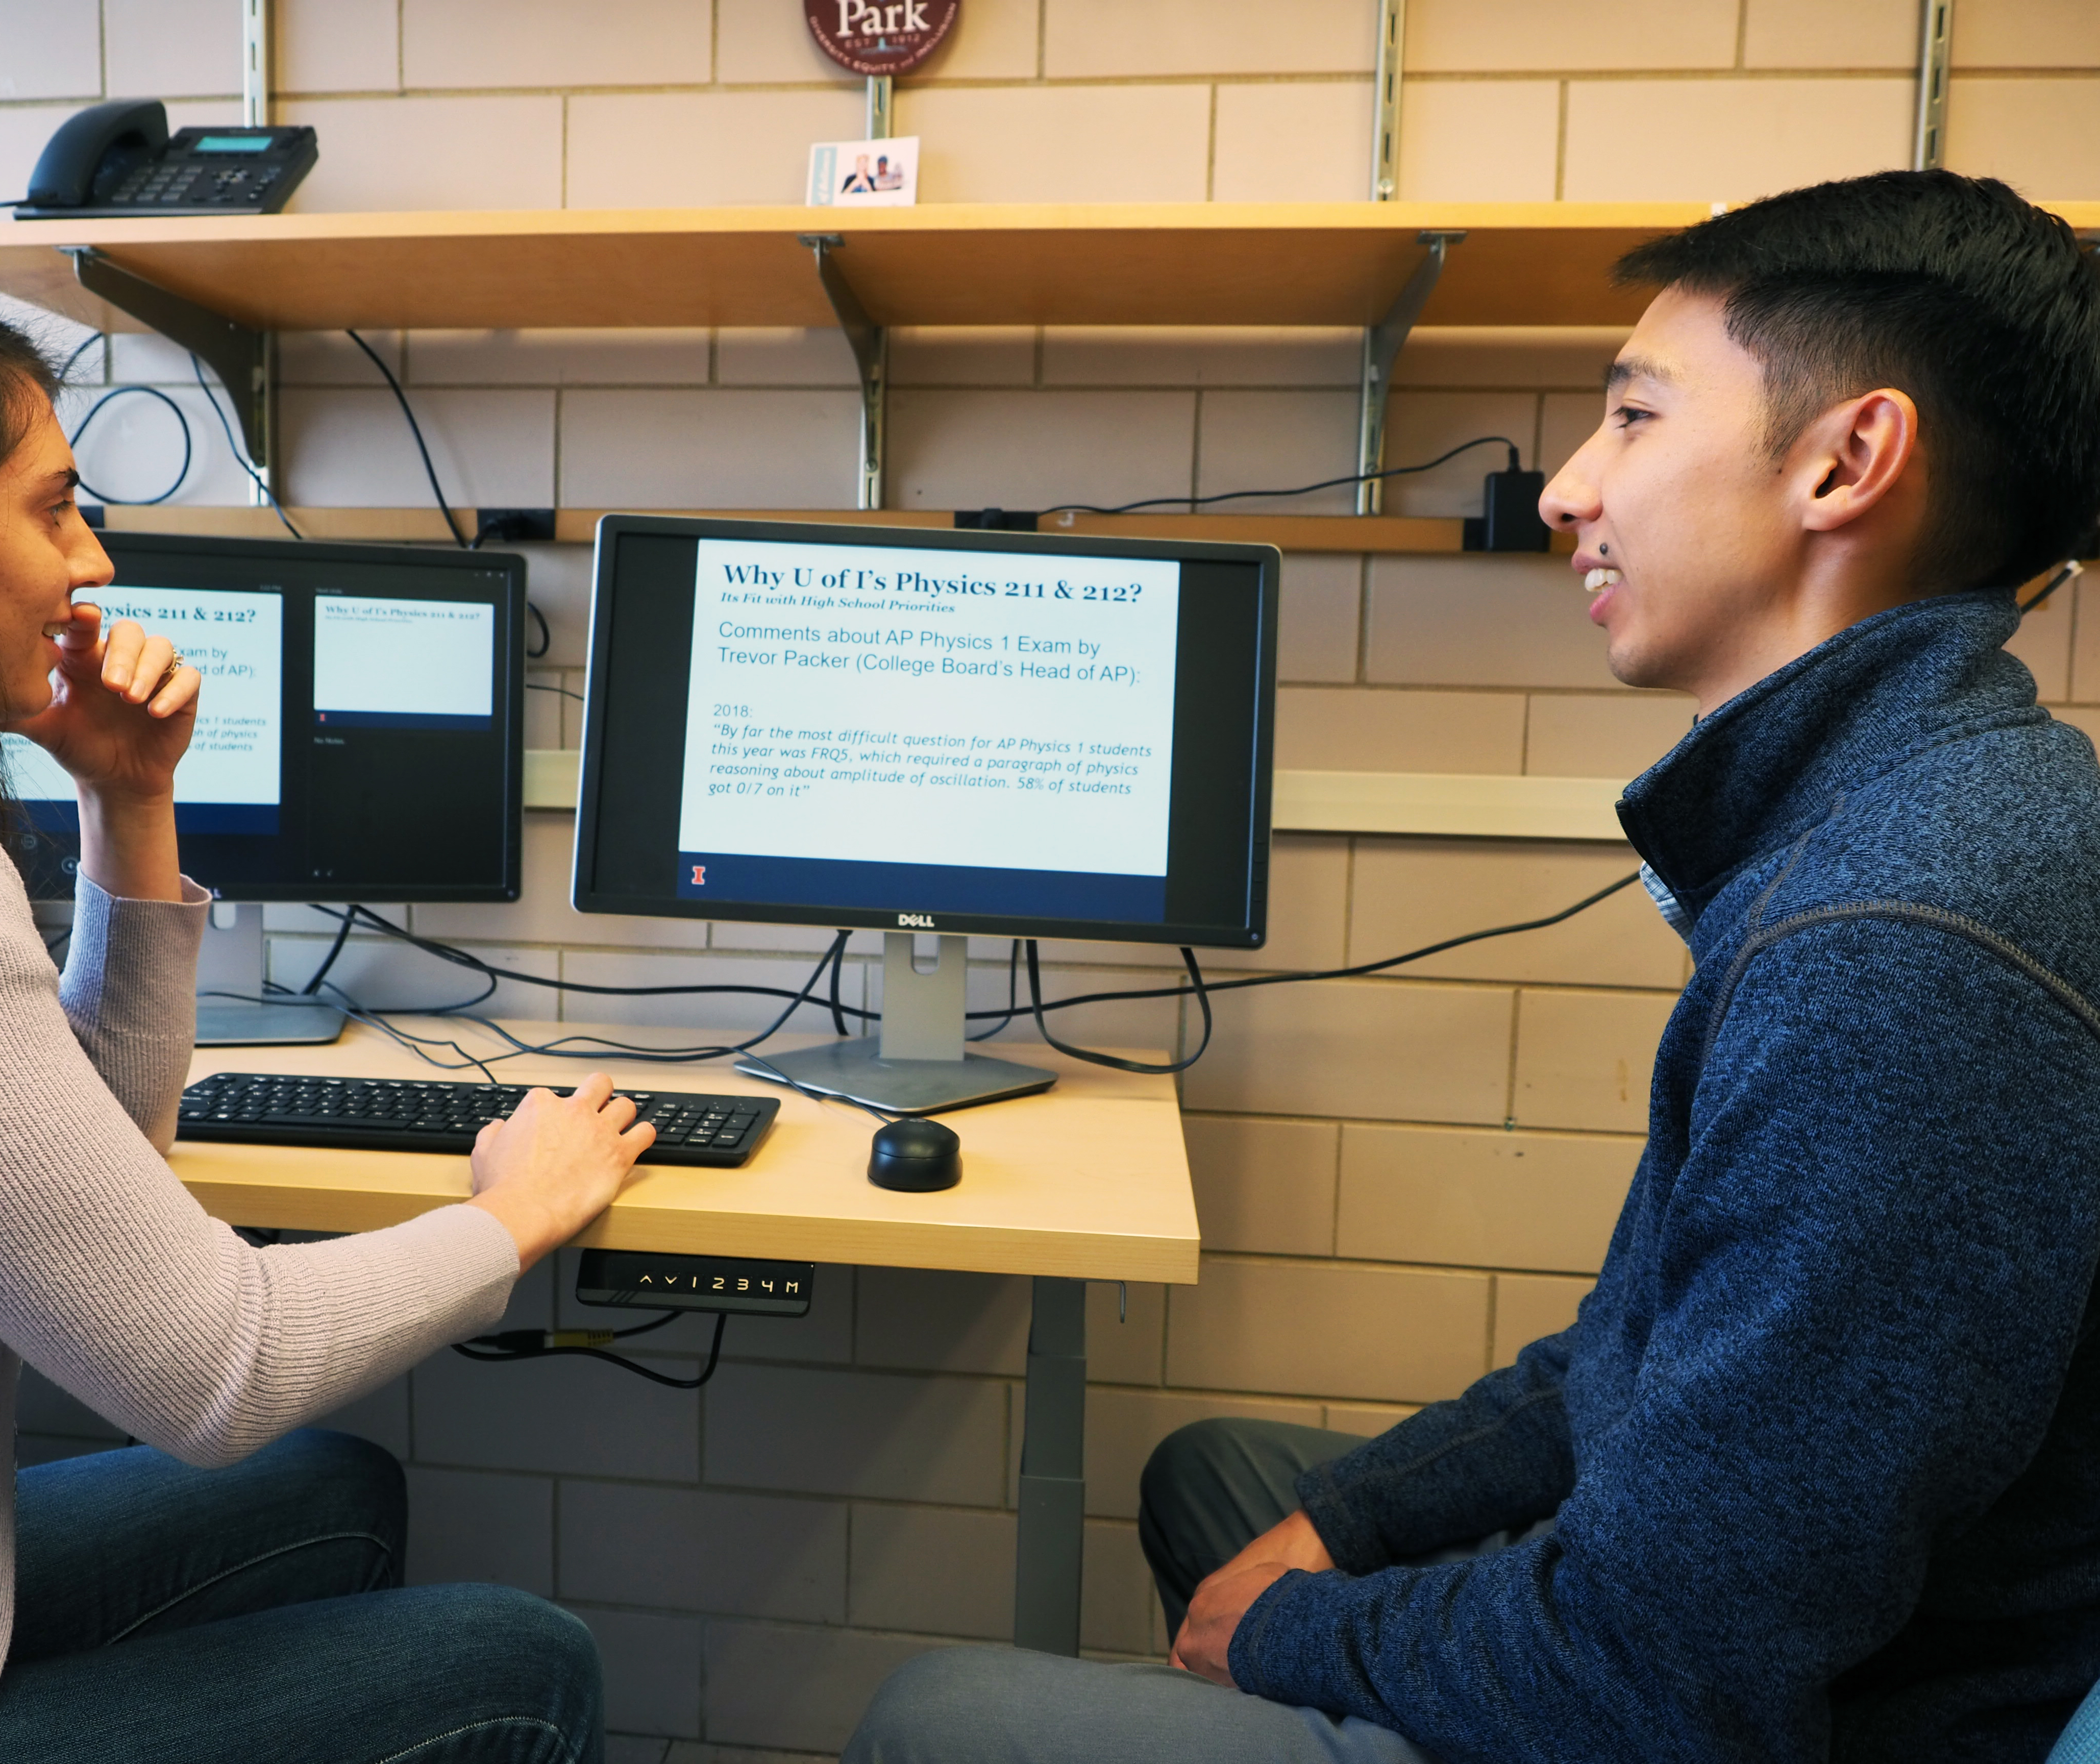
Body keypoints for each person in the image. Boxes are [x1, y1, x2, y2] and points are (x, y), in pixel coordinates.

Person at [845, 169, 2100, 1763]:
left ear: (1848, 462)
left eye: (1633, 418)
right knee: (1229, 1488)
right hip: (1733, 1647)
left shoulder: (1899, 950)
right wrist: (1347, 1533)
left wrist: (1295, 1628)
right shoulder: (1898, 822)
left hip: (1770, 1727)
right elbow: (1633, 1356)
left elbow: (1661, 1682)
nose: (1570, 489)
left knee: (936, 1719)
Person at [0, 257, 650, 1762]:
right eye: (50, 506)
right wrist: (518, 1214)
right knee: (518, 1667)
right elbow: (221, 1371)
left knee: (329, 1491)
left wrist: (129, 801)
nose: (91, 561)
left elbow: (94, 1165)